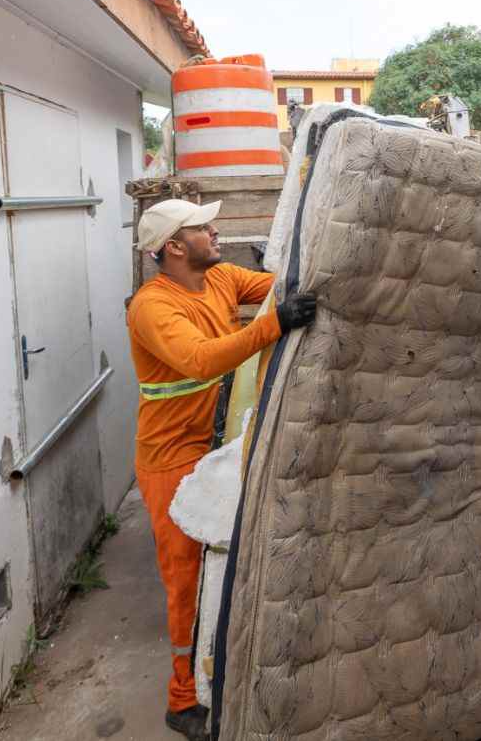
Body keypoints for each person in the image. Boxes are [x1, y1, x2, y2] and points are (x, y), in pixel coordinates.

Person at [125, 199, 317, 740]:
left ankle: (224, 668)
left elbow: (277, 286)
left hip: (216, 443)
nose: (216, 231)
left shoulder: (224, 277)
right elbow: (203, 360)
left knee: (227, 563)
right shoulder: (151, 308)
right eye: (202, 228)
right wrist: (273, 325)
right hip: (170, 457)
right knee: (184, 577)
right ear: (175, 247)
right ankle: (182, 699)